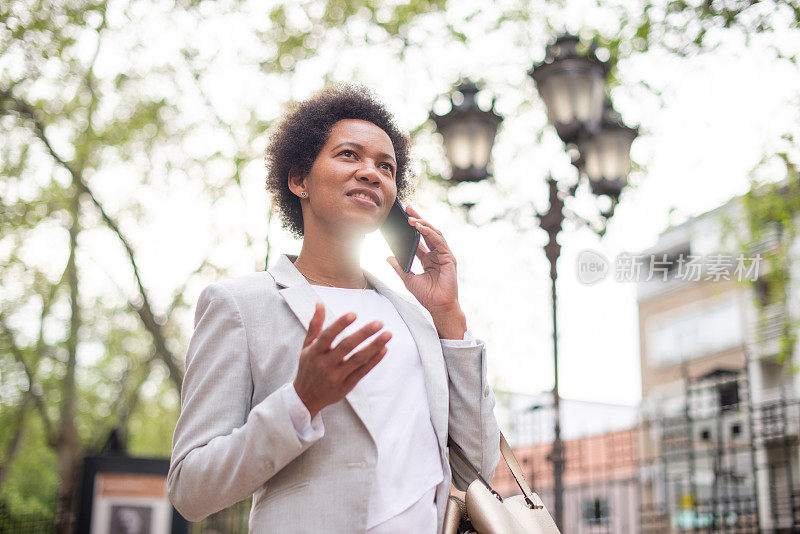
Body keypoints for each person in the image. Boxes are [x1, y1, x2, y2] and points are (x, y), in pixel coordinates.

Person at [167, 82, 501, 533]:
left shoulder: (417, 320)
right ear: (299, 179)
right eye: (349, 155)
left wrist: (448, 318)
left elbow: (475, 466)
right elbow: (190, 490)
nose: (371, 172)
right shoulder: (240, 307)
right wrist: (300, 403)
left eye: (386, 166)